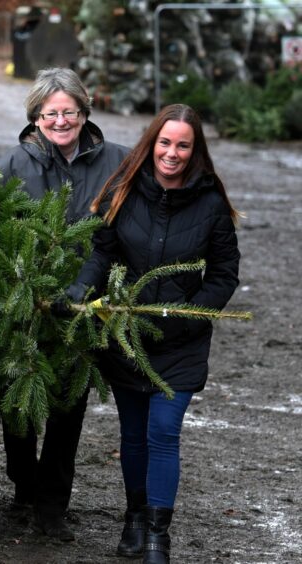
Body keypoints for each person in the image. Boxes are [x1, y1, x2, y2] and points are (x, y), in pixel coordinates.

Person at [72, 104, 241, 562]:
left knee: (163, 431)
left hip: (182, 342)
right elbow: (101, 254)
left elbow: (224, 273)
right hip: (127, 336)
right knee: (133, 434)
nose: (172, 152)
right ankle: (133, 517)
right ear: (152, 143)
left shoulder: (210, 204)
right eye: (165, 142)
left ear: (194, 149)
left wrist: (188, 315)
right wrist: (79, 292)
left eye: (183, 145)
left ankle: (157, 536)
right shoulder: (123, 191)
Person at [0, 68, 129, 541]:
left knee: (68, 411)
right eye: (51, 113)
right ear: (35, 118)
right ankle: (23, 484)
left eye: (69, 111)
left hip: (84, 311)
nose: (61, 120)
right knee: (19, 408)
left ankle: (52, 508)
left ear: (85, 112)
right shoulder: (12, 165)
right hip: (25, 308)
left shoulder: (119, 162)